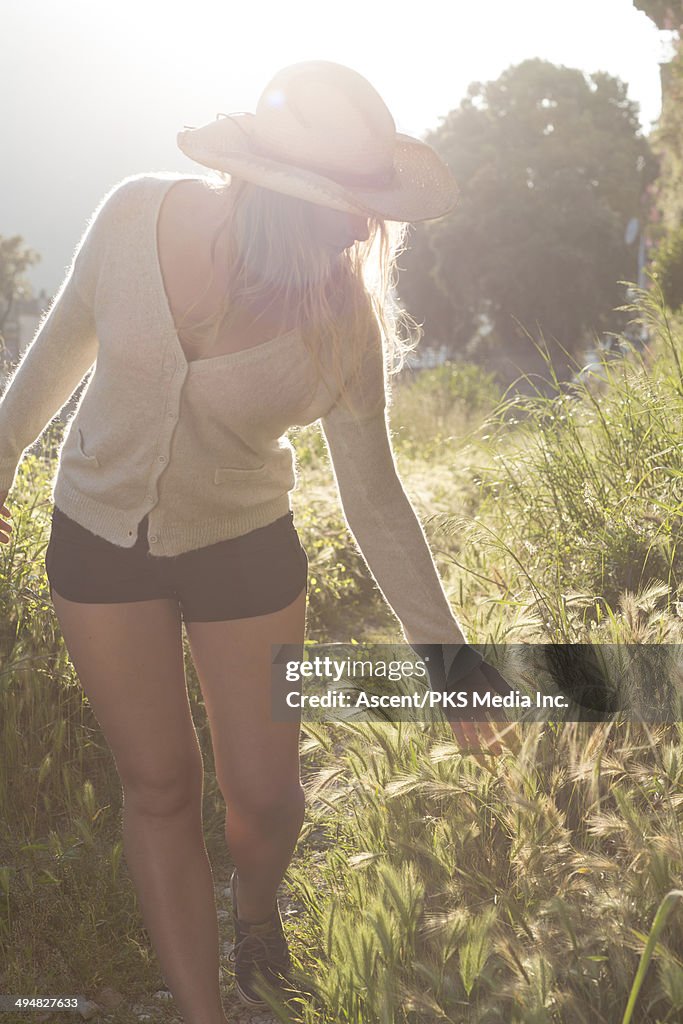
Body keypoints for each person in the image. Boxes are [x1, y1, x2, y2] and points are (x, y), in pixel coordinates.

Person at [0, 61, 516, 1021]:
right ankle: (204, 1009)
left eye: (368, 205)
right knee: (158, 784)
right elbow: (56, 351)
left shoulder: (340, 323)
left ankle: (259, 908)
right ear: (278, 195)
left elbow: (375, 498)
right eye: (342, 206)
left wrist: (444, 651)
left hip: (244, 544)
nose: (364, 227)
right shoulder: (134, 217)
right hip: (99, 537)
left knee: (266, 801)